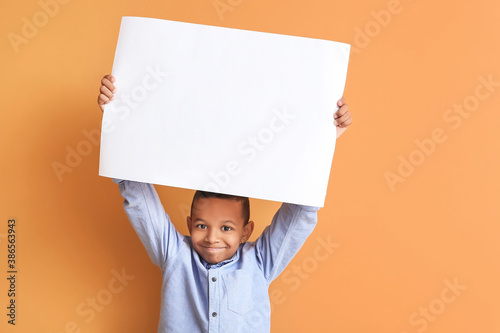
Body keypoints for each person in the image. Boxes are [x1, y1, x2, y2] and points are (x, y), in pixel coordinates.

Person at [98, 74, 352, 333]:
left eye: (227, 228)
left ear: (246, 231)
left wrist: (325, 141)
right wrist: (116, 115)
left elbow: (301, 211)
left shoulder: (261, 261)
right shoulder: (174, 254)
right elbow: (138, 195)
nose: (212, 237)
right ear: (189, 223)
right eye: (201, 225)